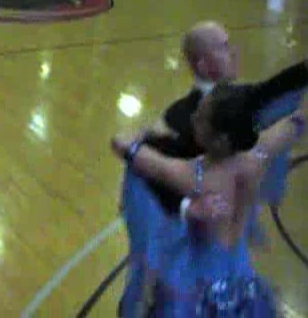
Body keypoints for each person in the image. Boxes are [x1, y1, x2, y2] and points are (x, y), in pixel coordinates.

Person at [118, 21, 308, 316]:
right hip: (241, 285)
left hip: (194, 290)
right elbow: (296, 119)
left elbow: (129, 150)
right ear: (203, 64)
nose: (234, 52)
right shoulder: (254, 156)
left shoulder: (194, 173)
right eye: (224, 47)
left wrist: (142, 137)